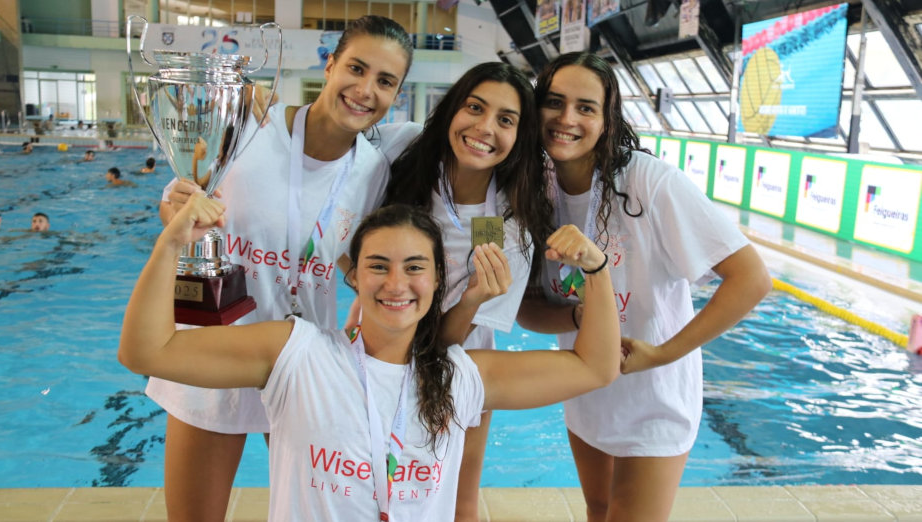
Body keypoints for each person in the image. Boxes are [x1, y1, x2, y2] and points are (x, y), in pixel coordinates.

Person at [120, 197, 620, 520]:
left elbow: (595, 367)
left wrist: (595, 270)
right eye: (378, 266)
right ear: (354, 276)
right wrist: (170, 245)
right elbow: (147, 351)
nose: (396, 284)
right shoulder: (296, 354)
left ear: (436, 282)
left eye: (414, 268)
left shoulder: (460, 377)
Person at [150, 15, 416, 522]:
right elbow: (180, 202)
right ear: (330, 64)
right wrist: (182, 217)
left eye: (385, 81)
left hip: (301, 361)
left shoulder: (372, 170)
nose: (365, 90)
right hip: (215, 345)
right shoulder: (249, 126)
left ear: (397, 93)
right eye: (356, 68)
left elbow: (341, 253)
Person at [516, 52, 772, 522]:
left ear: (607, 119)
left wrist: (663, 354)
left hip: (654, 392)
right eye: (554, 102)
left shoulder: (649, 183)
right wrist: (582, 318)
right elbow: (524, 309)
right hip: (586, 384)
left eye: (586, 107)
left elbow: (752, 279)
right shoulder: (532, 188)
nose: (567, 118)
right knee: (598, 509)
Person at [381, 62, 554, 521]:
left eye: (505, 119)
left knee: (459, 502)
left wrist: (474, 298)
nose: (484, 128)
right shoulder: (403, 155)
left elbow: (452, 340)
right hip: (375, 354)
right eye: (474, 108)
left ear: (521, 136)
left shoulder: (510, 227)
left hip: (460, 367)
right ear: (452, 108)